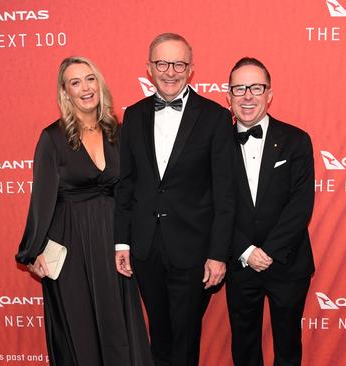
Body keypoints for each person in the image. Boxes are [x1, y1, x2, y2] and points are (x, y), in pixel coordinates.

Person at [15, 56, 152, 366]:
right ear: (66, 93)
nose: (85, 88)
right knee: (80, 330)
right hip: (71, 242)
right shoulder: (52, 138)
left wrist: (132, 240)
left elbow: (130, 192)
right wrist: (31, 251)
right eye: (75, 82)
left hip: (113, 242)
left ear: (99, 84)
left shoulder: (117, 131)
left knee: (118, 324)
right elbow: (42, 200)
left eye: (90, 79)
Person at [114, 33, 235, 366]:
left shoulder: (215, 117)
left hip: (194, 250)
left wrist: (217, 253)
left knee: (185, 339)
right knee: (160, 336)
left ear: (191, 69)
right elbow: (127, 184)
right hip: (145, 247)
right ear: (149, 68)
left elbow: (226, 193)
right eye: (162, 63)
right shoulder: (134, 115)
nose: (170, 72)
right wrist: (121, 243)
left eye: (179, 64)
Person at [224, 57, 315, 366]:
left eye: (256, 87)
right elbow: (212, 205)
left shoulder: (296, 140)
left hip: (288, 263)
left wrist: (271, 251)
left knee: (288, 348)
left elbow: (300, 205)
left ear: (269, 94)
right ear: (229, 96)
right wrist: (246, 251)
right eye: (240, 88)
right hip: (240, 262)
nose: (248, 96)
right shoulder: (215, 144)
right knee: (244, 348)